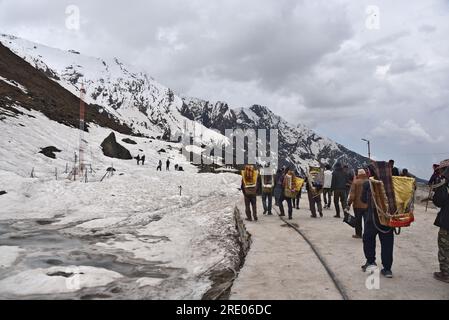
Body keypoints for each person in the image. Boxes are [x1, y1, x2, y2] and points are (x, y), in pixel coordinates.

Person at [361, 164, 395, 279]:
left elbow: (363, 199)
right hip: (387, 218)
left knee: (368, 239)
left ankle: (370, 262)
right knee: (387, 244)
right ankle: (387, 269)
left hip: (372, 218)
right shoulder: (391, 183)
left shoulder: (368, 184)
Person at [432, 160, 449, 283]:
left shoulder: (444, 183)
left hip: (447, 222)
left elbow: (439, 201)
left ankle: (445, 273)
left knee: (444, 248)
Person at [347, 169, 369, 239]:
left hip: (357, 205)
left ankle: (358, 234)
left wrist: (349, 204)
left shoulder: (355, 182)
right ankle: (367, 234)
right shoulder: (369, 182)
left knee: (358, 220)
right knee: (367, 221)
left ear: (358, 174)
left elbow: (352, 195)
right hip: (367, 205)